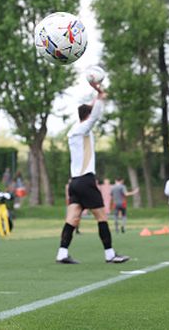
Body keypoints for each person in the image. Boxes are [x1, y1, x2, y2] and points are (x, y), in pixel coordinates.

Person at [56, 82, 129, 264]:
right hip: (86, 181)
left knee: (72, 219)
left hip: (75, 183)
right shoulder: (83, 130)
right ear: (86, 117)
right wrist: (101, 95)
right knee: (102, 217)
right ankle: (110, 254)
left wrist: (96, 94)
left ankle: (62, 253)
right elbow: (95, 115)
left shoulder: (75, 130)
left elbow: (90, 110)